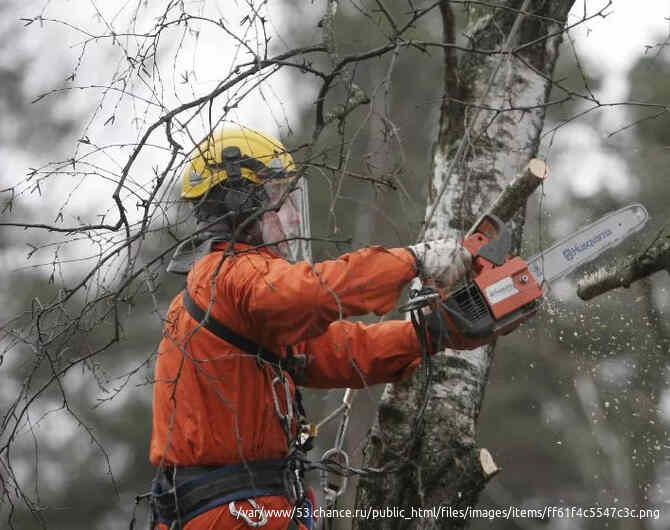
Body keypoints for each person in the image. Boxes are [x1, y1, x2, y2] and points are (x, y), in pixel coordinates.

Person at [149, 126, 473, 529]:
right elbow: (309, 293)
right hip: (235, 514)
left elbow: (342, 351)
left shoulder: (238, 297)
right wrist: (412, 261)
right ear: (242, 203)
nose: (296, 215)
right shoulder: (230, 276)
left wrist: (429, 333)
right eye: (283, 201)